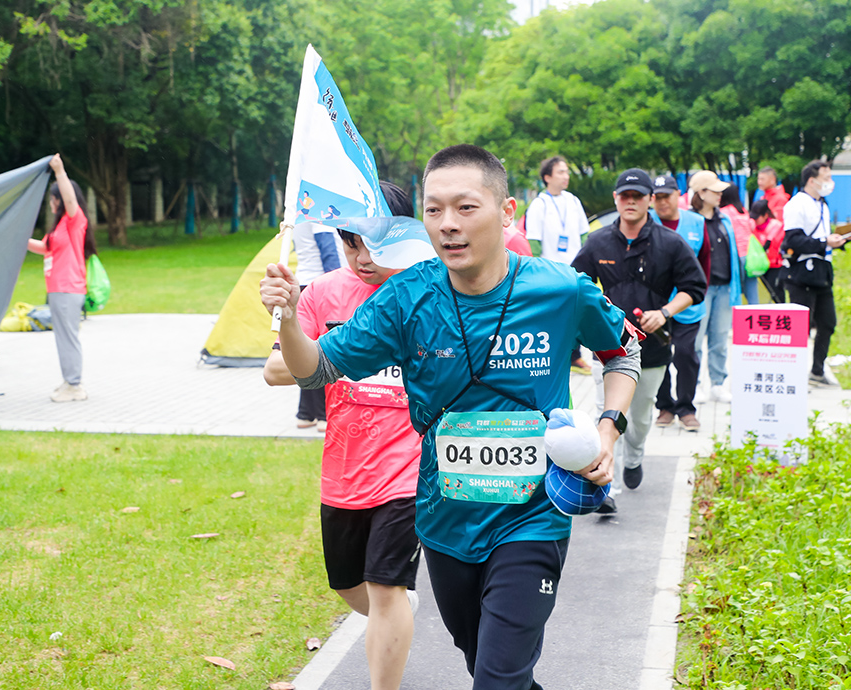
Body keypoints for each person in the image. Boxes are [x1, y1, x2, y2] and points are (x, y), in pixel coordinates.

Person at [260, 144, 640, 690]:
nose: (447, 225)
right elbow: (317, 369)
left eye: (465, 208)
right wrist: (291, 323)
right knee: (484, 661)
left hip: (532, 517)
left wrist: (608, 429)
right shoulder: (407, 297)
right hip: (445, 521)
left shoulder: (559, 288)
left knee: (497, 680)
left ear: (507, 212)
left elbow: (622, 351)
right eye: (433, 210)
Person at [263, 181, 421, 690]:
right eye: (350, 242)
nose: (362, 257)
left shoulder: (431, 288)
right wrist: (292, 319)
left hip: (410, 466)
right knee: (350, 587)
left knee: (383, 586)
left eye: (374, 242)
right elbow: (275, 371)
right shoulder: (325, 292)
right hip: (345, 468)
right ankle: (397, 609)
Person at [573, 169, 704, 511]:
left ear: (649, 201)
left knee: (641, 417)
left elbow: (695, 287)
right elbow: (575, 285)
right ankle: (607, 488)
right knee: (607, 413)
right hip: (609, 346)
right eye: (624, 195)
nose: (630, 201)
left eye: (638, 196)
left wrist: (665, 312)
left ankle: (633, 458)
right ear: (616, 199)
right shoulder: (597, 242)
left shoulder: (670, 243)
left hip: (654, 345)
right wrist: (597, 311)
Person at [26, 154, 95, 402]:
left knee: (68, 338)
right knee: (63, 337)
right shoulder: (59, 227)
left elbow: (69, 198)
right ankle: (69, 381)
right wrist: (18, 240)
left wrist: (60, 172)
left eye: (53, 199)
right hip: (57, 288)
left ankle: (75, 386)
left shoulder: (75, 221)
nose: (53, 203)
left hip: (68, 288)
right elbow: (45, 248)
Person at [782, 160, 848, 386]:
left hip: (822, 271)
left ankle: (817, 371)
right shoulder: (796, 204)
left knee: (827, 323)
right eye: (826, 178)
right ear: (812, 180)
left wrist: (837, 241)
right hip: (802, 273)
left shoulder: (823, 204)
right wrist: (824, 242)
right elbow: (793, 240)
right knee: (801, 328)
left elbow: (823, 239)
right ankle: (794, 376)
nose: (830, 183)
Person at [650, 175, 708, 432]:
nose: (663, 202)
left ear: (678, 195)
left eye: (667, 196)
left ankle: (686, 406)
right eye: (658, 197)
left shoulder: (696, 222)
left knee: (686, 355)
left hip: (688, 305)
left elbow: (704, 262)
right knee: (658, 354)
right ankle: (664, 406)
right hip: (655, 305)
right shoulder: (646, 222)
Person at [525, 155, 592, 374]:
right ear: (547, 177)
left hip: (574, 268)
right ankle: (556, 357)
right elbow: (534, 242)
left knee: (576, 311)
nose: (566, 176)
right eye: (561, 172)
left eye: (567, 172)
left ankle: (575, 356)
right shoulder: (539, 204)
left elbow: (584, 235)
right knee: (553, 314)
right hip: (550, 270)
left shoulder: (573, 200)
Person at [688, 170, 742, 404]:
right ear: (701, 193)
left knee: (720, 339)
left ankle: (718, 384)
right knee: (696, 340)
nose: (721, 194)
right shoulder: (689, 221)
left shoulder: (724, 220)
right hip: (700, 290)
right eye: (715, 191)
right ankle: (694, 384)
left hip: (724, 287)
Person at [291, 219, 347, 432]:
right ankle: (324, 415)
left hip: (305, 283)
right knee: (324, 351)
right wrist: (338, 286)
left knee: (306, 353)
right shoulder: (319, 212)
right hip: (321, 287)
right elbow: (328, 251)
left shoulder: (300, 212)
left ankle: (306, 413)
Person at [719, 183, 759, 304]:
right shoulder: (742, 211)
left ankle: (736, 319)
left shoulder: (724, 212)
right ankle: (755, 312)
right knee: (752, 291)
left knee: (735, 291)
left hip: (736, 255)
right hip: (750, 255)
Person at [749, 199, 786, 303]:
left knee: (776, 293)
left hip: (773, 266)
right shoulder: (752, 227)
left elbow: (768, 244)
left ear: (765, 215)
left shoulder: (776, 226)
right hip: (757, 267)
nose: (755, 220)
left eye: (757, 217)